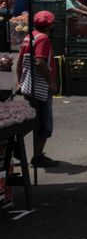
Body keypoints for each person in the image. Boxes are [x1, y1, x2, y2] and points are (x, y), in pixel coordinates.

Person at [16, 11, 59, 167]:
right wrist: (51, 82)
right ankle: (35, 154)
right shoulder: (43, 39)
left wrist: (20, 81)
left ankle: (22, 146)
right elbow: (40, 62)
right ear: (50, 25)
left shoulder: (29, 37)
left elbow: (20, 61)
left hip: (28, 86)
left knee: (34, 120)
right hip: (39, 88)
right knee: (43, 124)